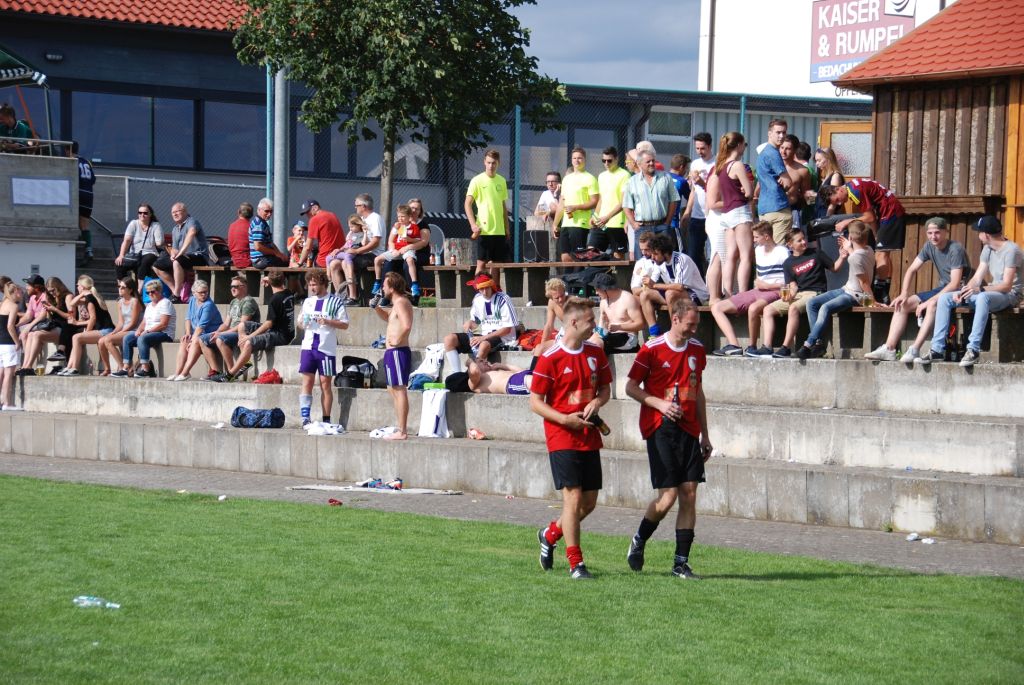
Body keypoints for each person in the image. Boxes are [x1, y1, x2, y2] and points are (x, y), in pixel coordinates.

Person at [624, 298, 712, 579]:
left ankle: (680, 564)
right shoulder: (652, 349)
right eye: (690, 325)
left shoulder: (696, 350)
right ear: (675, 319)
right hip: (659, 428)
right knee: (668, 497)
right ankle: (639, 539)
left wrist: (705, 434)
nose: (694, 330)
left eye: (696, 325)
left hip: (689, 429)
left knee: (690, 494)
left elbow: (698, 392)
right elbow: (630, 387)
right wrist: (660, 404)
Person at [532, 297, 611, 580]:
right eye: (591, 321)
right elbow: (535, 402)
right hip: (561, 435)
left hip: (588, 435)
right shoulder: (550, 357)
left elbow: (605, 390)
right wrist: (565, 419)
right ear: (574, 322)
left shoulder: (595, 353)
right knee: (573, 498)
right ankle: (576, 564)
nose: (595, 325)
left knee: (589, 503)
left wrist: (597, 403)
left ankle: (550, 534)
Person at [865, 217, 971, 362]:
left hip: (961, 292)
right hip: (942, 289)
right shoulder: (929, 246)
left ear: (945, 232)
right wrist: (904, 293)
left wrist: (926, 303)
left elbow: (955, 284)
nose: (933, 237)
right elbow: (911, 270)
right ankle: (889, 348)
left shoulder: (955, 249)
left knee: (932, 304)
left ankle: (914, 349)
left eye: (937, 232)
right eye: (930, 233)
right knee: (903, 304)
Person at [923, 215, 1023, 367]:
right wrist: (964, 291)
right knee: (945, 298)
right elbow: (977, 278)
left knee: (983, 297)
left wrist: (980, 289)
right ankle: (937, 349)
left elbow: (1007, 286)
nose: (978, 235)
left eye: (979, 232)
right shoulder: (988, 249)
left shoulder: (1011, 250)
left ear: (986, 235)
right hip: (992, 293)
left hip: (1010, 296)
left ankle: (973, 349)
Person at [762, 230, 846, 359]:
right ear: (790, 244)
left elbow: (834, 268)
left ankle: (786, 347)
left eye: (804, 238)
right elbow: (793, 286)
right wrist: (790, 295)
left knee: (793, 308)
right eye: (799, 240)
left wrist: (842, 257)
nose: (804, 242)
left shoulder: (816, 253)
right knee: (767, 309)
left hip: (815, 293)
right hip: (799, 294)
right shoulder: (788, 263)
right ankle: (767, 347)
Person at [796, 221, 872, 360]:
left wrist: (872, 300)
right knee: (812, 303)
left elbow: (864, 282)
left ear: (850, 238)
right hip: (846, 289)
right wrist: (848, 250)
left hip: (856, 295)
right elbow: (858, 256)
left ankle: (809, 343)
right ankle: (818, 344)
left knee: (825, 308)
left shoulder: (855, 257)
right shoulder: (869, 250)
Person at [822, 178, 906, 304]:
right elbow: (872, 219)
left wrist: (847, 221)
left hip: (891, 213)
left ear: (839, 189)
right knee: (884, 253)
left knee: (880, 255)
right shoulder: (852, 186)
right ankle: (884, 292)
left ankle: (879, 293)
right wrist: (876, 235)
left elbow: (869, 217)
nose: (840, 203)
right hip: (888, 213)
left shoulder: (855, 192)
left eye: (838, 199)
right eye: (837, 203)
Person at [711, 221, 789, 357]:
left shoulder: (782, 252)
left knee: (753, 308)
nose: (754, 240)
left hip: (775, 291)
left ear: (766, 237)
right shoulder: (758, 250)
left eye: (756, 237)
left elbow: (789, 281)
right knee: (716, 307)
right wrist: (760, 285)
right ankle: (734, 345)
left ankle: (752, 346)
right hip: (758, 290)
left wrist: (767, 286)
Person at [212, 271, 296, 382]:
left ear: (270, 283)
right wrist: (270, 279)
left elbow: (268, 324)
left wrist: (250, 336)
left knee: (248, 343)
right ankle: (245, 361)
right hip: (284, 331)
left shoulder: (274, 300)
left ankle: (230, 375)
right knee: (242, 325)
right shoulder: (288, 293)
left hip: (280, 335)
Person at [298, 269, 349, 425]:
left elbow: (345, 324)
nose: (312, 287)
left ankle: (326, 419)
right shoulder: (307, 302)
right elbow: (300, 323)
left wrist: (328, 322)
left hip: (326, 349)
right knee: (307, 382)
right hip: (308, 347)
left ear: (323, 284)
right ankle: (305, 418)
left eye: (314, 284)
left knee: (325, 384)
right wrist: (303, 323)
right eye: (310, 284)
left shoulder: (336, 301)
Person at [442, 272, 519, 373]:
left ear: (491, 285)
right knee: (449, 339)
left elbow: (507, 329)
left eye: (487, 288)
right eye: (481, 289)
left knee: (483, 345)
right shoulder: (477, 298)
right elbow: (476, 322)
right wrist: (469, 323)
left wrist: (483, 337)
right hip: (482, 334)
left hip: (501, 336)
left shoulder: (503, 299)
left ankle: (474, 374)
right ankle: (457, 374)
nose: (484, 292)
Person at [639, 233, 709, 337]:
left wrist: (653, 285)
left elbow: (679, 286)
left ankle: (674, 332)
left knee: (670, 293)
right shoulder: (659, 262)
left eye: (655, 254)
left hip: (696, 295)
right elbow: (652, 281)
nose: (652, 257)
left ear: (666, 253)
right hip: (675, 295)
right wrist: (646, 281)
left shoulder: (682, 259)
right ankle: (654, 333)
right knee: (645, 295)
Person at [373, 272, 414, 440]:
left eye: (384, 285)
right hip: (392, 352)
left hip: (398, 351)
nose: (382, 288)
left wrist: (398, 339)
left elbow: (407, 325)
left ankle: (402, 431)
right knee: (392, 388)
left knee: (399, 388)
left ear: (392, 287)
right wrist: (376, 308)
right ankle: (399, 428)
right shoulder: (396, 304)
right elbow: (388, 317)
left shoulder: (402, 302)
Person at [715, 132, 755, 296]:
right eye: (744, 145)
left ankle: (728, 291)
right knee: (745, 255)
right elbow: (749, 192)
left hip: (726, 212)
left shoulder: (721, 166)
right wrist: (747, 190)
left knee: (731, 254)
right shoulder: (737, 165)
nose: (744, 148)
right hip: (739, 210)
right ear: (738, 145)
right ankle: (743, 293)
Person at [199, 274, 260, 378]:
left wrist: (221, 334)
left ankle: (231, 372)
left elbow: (243, 325)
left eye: (235, 286)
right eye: (231, 286)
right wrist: (217, 332)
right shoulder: (233, 302)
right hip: (231, 332)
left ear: (244, 287)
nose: (232, 289)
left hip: (243, 333)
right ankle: (216, 371)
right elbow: (226, 324)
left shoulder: (248, 301)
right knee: (202, 339)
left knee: (220, 339)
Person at [112, 279, 175, 378]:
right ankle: (126, 368)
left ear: (159, 291)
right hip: (149, 332)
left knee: (142, 338)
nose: (150, 294)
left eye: (152, 291)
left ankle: (145, 369)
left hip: (164, 333)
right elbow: (144, 322)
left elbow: (163, 324)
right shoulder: (149, 305)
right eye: (147, 292)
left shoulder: (165, 303)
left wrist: (147, 331)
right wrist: (139, 330)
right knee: (127, 337)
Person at [55, 275, 115, 375]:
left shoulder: (90, 299)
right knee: (76, 338)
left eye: (78, 285)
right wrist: (82, 294)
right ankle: (69, 367)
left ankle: (74, 368)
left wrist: (86, 332)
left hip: (106, 330)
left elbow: (93, 318)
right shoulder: (89, 297)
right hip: (102, 329)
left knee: (77, 337)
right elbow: (72, 304)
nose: (77, 287)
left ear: (82, 286)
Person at [466, 149, 511, 279]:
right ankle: (478, 291)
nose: (491, 166)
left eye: (494, 163)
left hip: (499, 230)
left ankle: (495, 291)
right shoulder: (477, 180)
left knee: (496, 265)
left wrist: (507, 228)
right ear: (484, 162)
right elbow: (467, 204)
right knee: (481, 264)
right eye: (489, 162)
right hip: (484, 230)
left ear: (498, 163)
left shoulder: (501, 181)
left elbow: (503, 206)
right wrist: (473, 225)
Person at [622, 151, 679, 252]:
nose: (651, 163)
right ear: (639, 163)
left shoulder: (665, 177)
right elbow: (626, 205)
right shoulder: (632, 181)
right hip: (642, 228)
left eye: (653, 161)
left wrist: (667, 222)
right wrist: (633, 223)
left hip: (662, 226)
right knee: (643, 259)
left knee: (663, 257)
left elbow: (673, 200)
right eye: (648, 161)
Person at [153, 202, 211, 300]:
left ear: (185, 212)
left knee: (177, 261)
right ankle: (176, 292)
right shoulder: (175, 229)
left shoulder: (192, 221)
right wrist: (173, 254)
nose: (175, 214)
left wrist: (180, 253)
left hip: (199, 256)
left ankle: (176, 295)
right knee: (156, 266)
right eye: (173, 212)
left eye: (177, 211)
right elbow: (174, 249)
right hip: (183, 257)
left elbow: (191, 233)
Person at [167, 280, 222, 381]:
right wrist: (188, 333)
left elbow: (201, 326)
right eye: (201, 292)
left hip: (211, 335)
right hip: (198, 334)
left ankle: (185, 372)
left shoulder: (208, 305)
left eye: (206, 292)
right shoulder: (192, 300)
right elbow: (188, 318)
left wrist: (192, 340)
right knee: (185, 340)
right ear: (194, 293)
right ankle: (177, 372)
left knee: (195, 341)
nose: (204, 294)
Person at [17, 277, 72, 376]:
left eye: (53, 290)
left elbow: (70, 316)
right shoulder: (51, 298)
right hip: (53, 326)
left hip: (64, 329)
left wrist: (54, 309)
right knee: (31, 334)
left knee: (36, 334)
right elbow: (29, 316)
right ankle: (25, 366)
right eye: (49, 291)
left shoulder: (66, 296)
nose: (51, 293)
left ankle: (29, 366)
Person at [371, 204, 426, 302]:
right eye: (399, 216)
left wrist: (409, 239)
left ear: (409, 217)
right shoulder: (397, 226)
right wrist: (393, 250)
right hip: (396, 250)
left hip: (407, 249)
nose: (400, 219)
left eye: (403, 216)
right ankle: (378, 282)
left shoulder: (414, 227)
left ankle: (414, 284)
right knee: (377, 259)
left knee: (410, 260)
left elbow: (418, 240)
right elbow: (391, 241)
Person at [554, 146, 599, 263]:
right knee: (565, 256)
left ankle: (579, 275)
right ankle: (569, 275)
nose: (577, 160)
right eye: (574, 158)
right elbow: (561, 203)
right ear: (571, 160)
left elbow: (594, 201)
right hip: (566, 223)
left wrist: (576, 207)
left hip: (580, 223)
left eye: (579, 158)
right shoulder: (566, 179)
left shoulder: (590, 178)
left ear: (584, 159)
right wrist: (555, 224)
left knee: (579, 256)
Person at [339, 194, 386, 303]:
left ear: (363, 206)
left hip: (374, 254)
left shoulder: (375, 218)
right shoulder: (362, 219)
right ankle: (342, 296)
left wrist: (357, 251)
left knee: (346, 262)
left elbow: (375, 242)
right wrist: (342, 249)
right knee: (335, 263)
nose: (355, 207)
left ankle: (353, 297)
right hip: (362, 252)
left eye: (357, 205)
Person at [755, 119, 794, 243]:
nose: (781, 136)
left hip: (764, 208)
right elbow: (788, 182)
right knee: (779, 250)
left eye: (784, 132)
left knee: (765, 248)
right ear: (769, 133)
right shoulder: (774, 153)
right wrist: (786, 183)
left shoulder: (762, 153)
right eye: (778, 132)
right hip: (778, 208)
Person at [682, 132, 714, 274]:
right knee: (693, 254)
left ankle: (712, 283)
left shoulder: (716, 164)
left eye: (703, 148)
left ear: (710, 146)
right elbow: (693, 191)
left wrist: (702, 183)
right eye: (697, 148)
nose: (700, 152)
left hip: (712, 215)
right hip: (696, 215)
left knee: (712, 254)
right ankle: (698, 283)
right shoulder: (695, 164)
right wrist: (687, 211)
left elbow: (717, 190)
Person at [590, 146, 630, 259]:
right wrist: (595, 216)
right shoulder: (601, 176)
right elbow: (601, 199)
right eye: (604, 161)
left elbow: (623, 202)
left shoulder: (624, 175)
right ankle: (600, 271)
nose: (606, 163)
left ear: (616, 159)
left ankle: (615, 272)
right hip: (601, 223)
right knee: (591, 252)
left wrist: (608, 217)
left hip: (617, 224)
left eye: (609, 160)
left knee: (618, 257)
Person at [98, 277, 143, 376]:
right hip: (124, 330)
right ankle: (107, 369)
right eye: (119, 286)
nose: (120, 289)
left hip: (134, 330)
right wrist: (114, 332)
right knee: (101, 341)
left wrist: (120, 332)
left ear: (130, 290)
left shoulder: (135, 301)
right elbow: (120, 322)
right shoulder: (120, 302)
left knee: (108, 340)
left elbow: (133, 323)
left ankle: (123, 368)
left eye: (123, 287)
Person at [589, 272, 643, 354]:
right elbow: (602, 326)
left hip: (628, 338)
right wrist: (591, 339)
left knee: (598, 343)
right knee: (588, 343)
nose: (596, 292)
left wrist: (619, 327)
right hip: (610, 337)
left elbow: (641, 324)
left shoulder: (627, 299)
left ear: (605, 289)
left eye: (597, 289)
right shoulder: (603, 302)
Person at [115, 204, 164, 286]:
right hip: (134, 254)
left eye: (145, 213)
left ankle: (139, 288)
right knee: (119, 264)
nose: (142, 215)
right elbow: (126, 240)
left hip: (150, 252)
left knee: (145, 261)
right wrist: (121, 255)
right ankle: (123, 287)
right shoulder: (134, 223)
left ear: (150, 214)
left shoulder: (155, 225)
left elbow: (159, 243)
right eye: (140, 213)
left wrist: (159, 241)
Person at [297, 198, 346, 277]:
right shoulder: (332, 215)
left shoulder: (314, 219)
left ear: (315, 208)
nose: (308, 215)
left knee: (309, 276)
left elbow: (307, 247)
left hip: (325, 260)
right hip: (341, 256)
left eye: (308, 212)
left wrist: (299, 264)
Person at [68, 141, 96, 264]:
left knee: (71, 218)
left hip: (77, 192)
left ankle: (77, 242)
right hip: (89, 194)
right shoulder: (86, 161)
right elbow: (93, 179)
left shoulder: (71, 161)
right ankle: (88, 250)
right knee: (84, 225)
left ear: (67, 150)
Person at [780, 134, 811, 229]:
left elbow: (808, 196)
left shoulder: (803, 170)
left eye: (788, 149)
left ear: (795, 150)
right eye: (782, 147)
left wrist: (809, 213)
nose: (783, 152)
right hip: (772, 210)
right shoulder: (771, 167)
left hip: (792, 210)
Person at [0, 282, 23, 410]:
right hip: (9, 344)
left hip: (0, 343)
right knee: (8, 374)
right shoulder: (13, 306)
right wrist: (17, 342)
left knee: (1, 373)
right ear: (14, 292)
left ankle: (2, 402)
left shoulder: (2, 304)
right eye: (20, 291)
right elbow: (10, 326)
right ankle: (7, 403)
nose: (22, 294)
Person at [248, 198, 288, 270]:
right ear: (259, 210)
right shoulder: (258, 225)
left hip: (262, 258)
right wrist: (275, 253)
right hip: (259, 260)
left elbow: (271, 243)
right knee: (286, 263)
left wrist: (279, 254)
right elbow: (258, 247)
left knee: (284, 259)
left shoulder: (262, 223)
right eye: (266, 211)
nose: (269, 214)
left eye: (271, 211)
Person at [539, 278, 567, 350]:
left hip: (576, 335)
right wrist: (542, 346)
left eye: (562, 295)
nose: (560, 299)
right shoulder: (551, 303)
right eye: (557, 298)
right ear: (551, 298)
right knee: (539, 349)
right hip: (565, 334)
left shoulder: (572, 302)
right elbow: (549, 325)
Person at [630, 230, 660, 297]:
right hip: (646, 294)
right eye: (641, 249)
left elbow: (655, 284)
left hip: (661, 293)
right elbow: (634, 290)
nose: (643, 253)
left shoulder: (661, 260)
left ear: (654, 247)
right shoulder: (640, 263)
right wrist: (646, 288)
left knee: (644, 295)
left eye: (646, 249)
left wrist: (649, 286)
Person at [226, 202, 254, 268]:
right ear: (252, 215)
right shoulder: (252, 227)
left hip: (235, 261)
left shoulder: (232, 226)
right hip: (248, 261)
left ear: (238, 212)